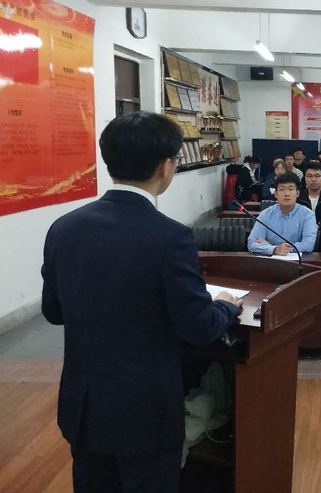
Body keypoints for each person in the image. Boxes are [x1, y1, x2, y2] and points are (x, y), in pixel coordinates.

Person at [41, 112, 243, 493]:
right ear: (166, 166)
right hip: (144, 415)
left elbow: (53, 312)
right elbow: (199, 327)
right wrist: (227, 306)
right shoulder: (171, 238)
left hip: (84, 409)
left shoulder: (63, 228)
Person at [248, 172, 318, 255]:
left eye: (291, 189)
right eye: (282, 189)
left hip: (298, 261)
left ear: (297, 193)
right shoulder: (265, 214)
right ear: (276, 194)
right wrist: (275, 249)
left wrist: (273, 248)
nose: (287, 194)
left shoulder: (307, 215)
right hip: (271, 262)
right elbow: (252, 243)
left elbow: (308, 245)